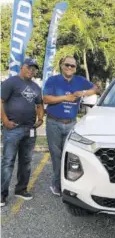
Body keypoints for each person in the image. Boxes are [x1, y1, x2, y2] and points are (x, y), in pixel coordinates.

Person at [43, 56, 100, 196]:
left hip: (71, 124)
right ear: (62, 66)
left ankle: (69, 184)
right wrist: (65, 98)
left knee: (70, 156)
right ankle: (57, 184)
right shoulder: (53, 80)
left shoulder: (80, 80)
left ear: (75, 68)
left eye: (72, 66)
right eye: (67, 65)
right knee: (56, 156)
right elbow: (45, 98)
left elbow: (96, 89)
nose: (69, 68)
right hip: (54, 123)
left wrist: (84, 93)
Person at [1, 58, 44, 207]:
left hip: (30, 129)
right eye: (29, 67)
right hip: (13, 129)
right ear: (22, 67)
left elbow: (39, 104)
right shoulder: (11, 82)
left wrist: (40, 118)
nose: (31, 70)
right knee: (8, 162)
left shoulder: (36, 87)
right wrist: (5, 121)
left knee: (25, 162)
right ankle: (2, 195)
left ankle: (21, 189)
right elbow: (0, 101)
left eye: (34, 69)